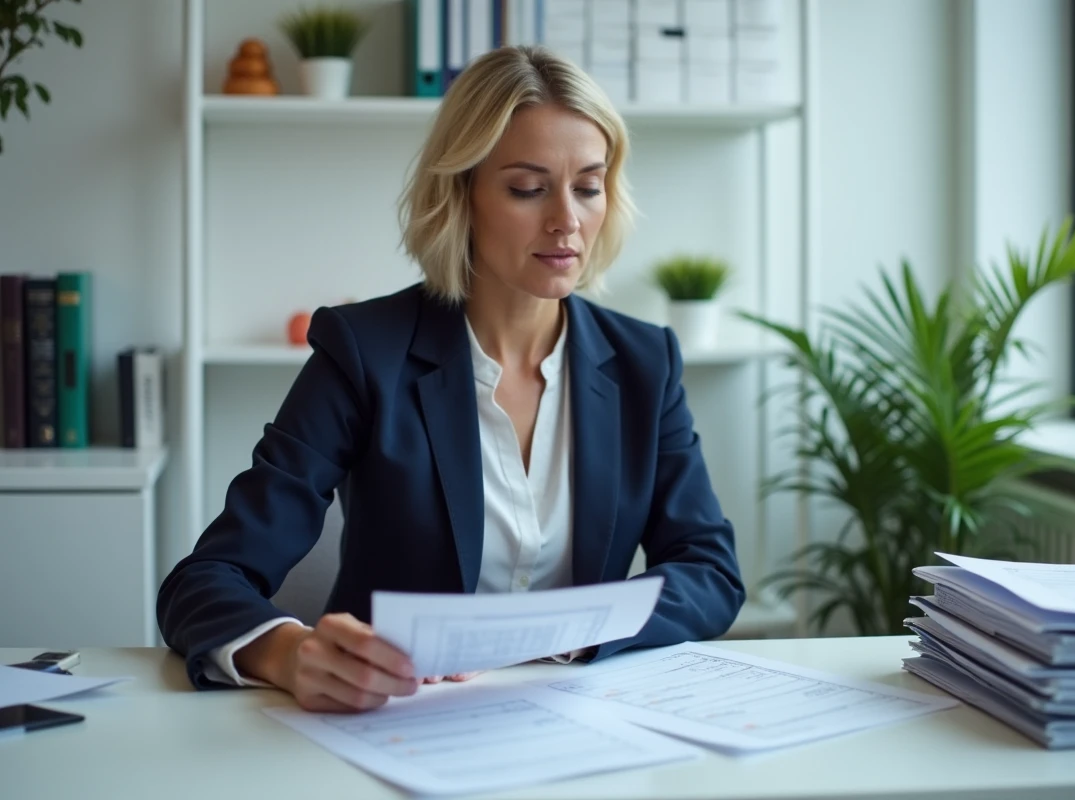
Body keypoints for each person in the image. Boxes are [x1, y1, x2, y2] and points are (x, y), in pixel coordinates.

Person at [157, 45, 745, 712]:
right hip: (397, 721)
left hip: (575, 719)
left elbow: (709, 572)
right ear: (461, 194)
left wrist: (572, 636)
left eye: (588, 186)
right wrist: (289, 654)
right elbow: (204, 581)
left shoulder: (645, 362)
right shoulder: (364, 352)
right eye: (528, 188)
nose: (567, 220)